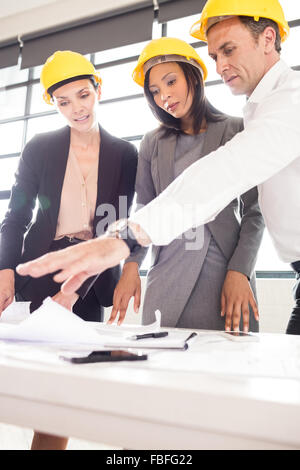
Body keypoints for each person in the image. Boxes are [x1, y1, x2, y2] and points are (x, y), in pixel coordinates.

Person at [17, 0, 300, 334]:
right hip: (172, 270)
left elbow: (222, 175)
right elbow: (147, 200)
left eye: (229, 49)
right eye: (215, 56)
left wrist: (123, 238)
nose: (222, 65)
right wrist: (131, 262)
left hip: (221, 269)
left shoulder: (287, 103)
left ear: (268, 38)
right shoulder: (258, 108)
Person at [0, 50, 137, 449]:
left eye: (83, 95)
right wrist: (5, 268)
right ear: (53, 104)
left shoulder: (125, 154)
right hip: (44, 269)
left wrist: (128, 267)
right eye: (63, 102)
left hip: (92, 278)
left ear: (98, 90)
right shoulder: (39, 148)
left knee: (75, 387)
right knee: (46, 391)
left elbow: (124, 225)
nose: (76, 108)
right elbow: (16, 216)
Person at [109, 37, 264, 331]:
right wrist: (131, 265)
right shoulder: (152, 143)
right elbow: (144, 207)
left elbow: (255, 211)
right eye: (154, 91)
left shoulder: (236, 130)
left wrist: (240, 271)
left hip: (226, 276)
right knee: (161, 368)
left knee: (230, 368)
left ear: (192, 75)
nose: (164, 96)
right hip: (167, 274)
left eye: (170, 82)